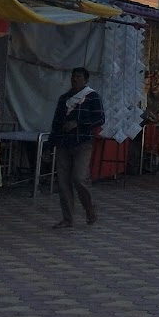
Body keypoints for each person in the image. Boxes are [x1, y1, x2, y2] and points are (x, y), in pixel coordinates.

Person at [50, 67, 105, 227]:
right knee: (63, 181)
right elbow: (56, 123)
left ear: (86, 80)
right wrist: (50, 145)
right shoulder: (64, 99)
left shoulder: (92, 97)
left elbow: (100, 118)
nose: (75, 80)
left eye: (79, 77)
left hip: (83, 142)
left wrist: (79, 124)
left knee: (79, 178)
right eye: (73, 77)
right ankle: (68, 218)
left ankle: (89, 209)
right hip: (63, 143)